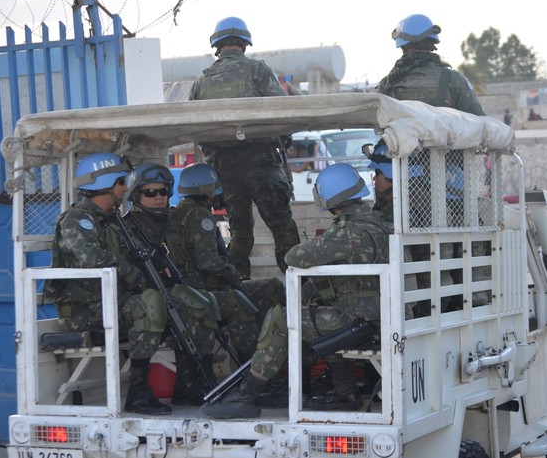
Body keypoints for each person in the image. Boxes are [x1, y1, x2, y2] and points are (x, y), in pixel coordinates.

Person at [199, 163, 393, 419]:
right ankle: (344, 392)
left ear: (330, 199)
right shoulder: (378, 222)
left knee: (281, 319)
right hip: (377, 316)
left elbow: (294, 257)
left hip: (362, 322)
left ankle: (246, 397)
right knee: (321, 311)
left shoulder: (348, 232)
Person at [45, 153, 171, 415]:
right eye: (121, 181)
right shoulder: (77, 220)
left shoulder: (111, 221)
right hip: (84, 312)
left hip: (108, 304)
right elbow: (93, 259)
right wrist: (132, 274)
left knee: (171, 301)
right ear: (104, 184)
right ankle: (138, 392)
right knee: (148, 306)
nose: (126, 188)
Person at [189, 16, 300, 276]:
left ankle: (238, 288)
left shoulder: (201, 82)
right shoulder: (258, 71)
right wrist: (283, 143)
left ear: (217, 45)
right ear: (244, 43)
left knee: (239, 234)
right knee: (282, 228)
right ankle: (299, 288)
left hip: (225, 172)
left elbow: (197, 129)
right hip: (262, 164)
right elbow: (281, 114)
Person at [166, 163, 286, 366]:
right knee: (264, 292)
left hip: (190, 289)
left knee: (262, 290)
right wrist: (233, 273)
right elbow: (208, 261)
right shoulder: (200, 215)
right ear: (206, 189)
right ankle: (258, 365)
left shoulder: (175, 213)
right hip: (204, 290)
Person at [123, 162, 221, 406]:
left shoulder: (173, 219)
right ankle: (140, 389)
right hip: (140, 295)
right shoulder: (126, 226)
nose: (158, 198)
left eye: (163, 192)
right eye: (150, 193)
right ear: (136, 195)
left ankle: (195, 381)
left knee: (200, 302)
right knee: (182, 304)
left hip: (173, 290)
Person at [377, 13, 485, 116]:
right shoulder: (453, 80)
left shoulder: (387, 84)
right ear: (432, 43)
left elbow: (377, 126)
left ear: (402, 45)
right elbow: (480, 123)